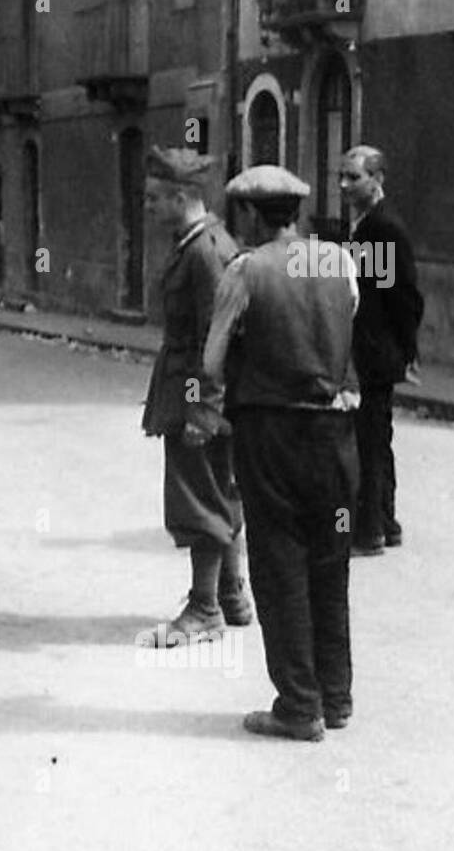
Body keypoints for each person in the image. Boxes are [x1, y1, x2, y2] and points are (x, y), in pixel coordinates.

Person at [197, 165, 360, 742]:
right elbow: (345, 330)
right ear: (296, 212)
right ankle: (336, 697)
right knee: (329, 562)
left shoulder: (245, 270)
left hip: (271, 435)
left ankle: (298, 705)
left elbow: (212, 361)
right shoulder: (338, 261)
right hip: (337, 436)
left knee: (280, 565)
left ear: (248, 214)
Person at [141, 146, 253, 643]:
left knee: (197, 494)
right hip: (194, 385)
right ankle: (232, 595)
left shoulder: (206, 251)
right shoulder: (199, 242)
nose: (147, 207)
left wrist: (202, 410)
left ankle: (204, 609)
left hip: (198, 388)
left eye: (154, 198)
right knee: (219, 489)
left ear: (182, 196)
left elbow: (216, 335)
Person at [338, 145, 424, 556]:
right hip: (374, 349)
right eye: (343, 176)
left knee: (367, 442)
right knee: (377, 438)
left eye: (353, 177)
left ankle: (368, 530)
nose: (343, 185)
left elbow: (404, 296)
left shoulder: (384, 228)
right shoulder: (368, 224)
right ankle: (386, 522)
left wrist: (407, 351)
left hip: (376, 352)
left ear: (377, 179)